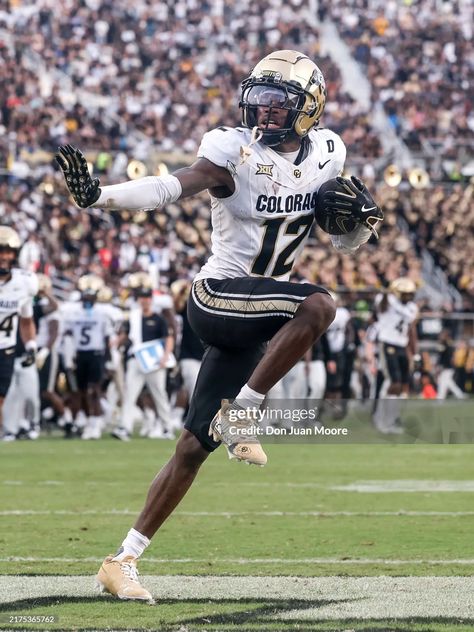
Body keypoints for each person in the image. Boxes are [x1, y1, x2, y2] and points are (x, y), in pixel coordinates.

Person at [56, 50, 383, 602]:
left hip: (257, 316)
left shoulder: (329, 151)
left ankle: (121, 560)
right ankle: (245, 416)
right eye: (259, 101)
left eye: (280, 104)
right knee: (321, 306)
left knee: (192, 446)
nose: (266, 113)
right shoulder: (232, 150)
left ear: (310, 108)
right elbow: (172, 186)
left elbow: (341, 239)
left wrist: (358, 227)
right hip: (217, 296)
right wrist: (101, 198)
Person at [0, 227, 38, 440]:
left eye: (8, 251)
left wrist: (31, 346)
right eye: (0, 251)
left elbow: (26, 321)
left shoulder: (24, 283)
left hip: (5, 350)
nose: (4, 256)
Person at [372, 277, 418, 433]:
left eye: (410, 294)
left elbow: (411, 329)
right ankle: (382, 419)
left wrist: (414, 352)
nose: (408, 297)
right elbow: (381, 307)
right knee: (394, 383)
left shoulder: (412, 307)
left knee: (401, 386)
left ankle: (392, 419)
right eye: (405, 294)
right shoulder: (387, 300)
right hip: (387, 344)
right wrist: (386, 292)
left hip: (402, 346)